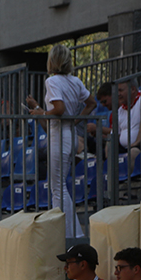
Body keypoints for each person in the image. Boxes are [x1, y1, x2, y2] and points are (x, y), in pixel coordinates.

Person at [25, 44, 91, 237]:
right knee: (60, 186)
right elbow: (91, 103)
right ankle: (72, 232)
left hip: (60, 136)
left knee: (57, 188)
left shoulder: (52, 81)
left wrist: (42, 111)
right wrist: (39, 108)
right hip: (68, 134)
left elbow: (59, 109)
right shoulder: (75, 81)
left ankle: (67, 234)